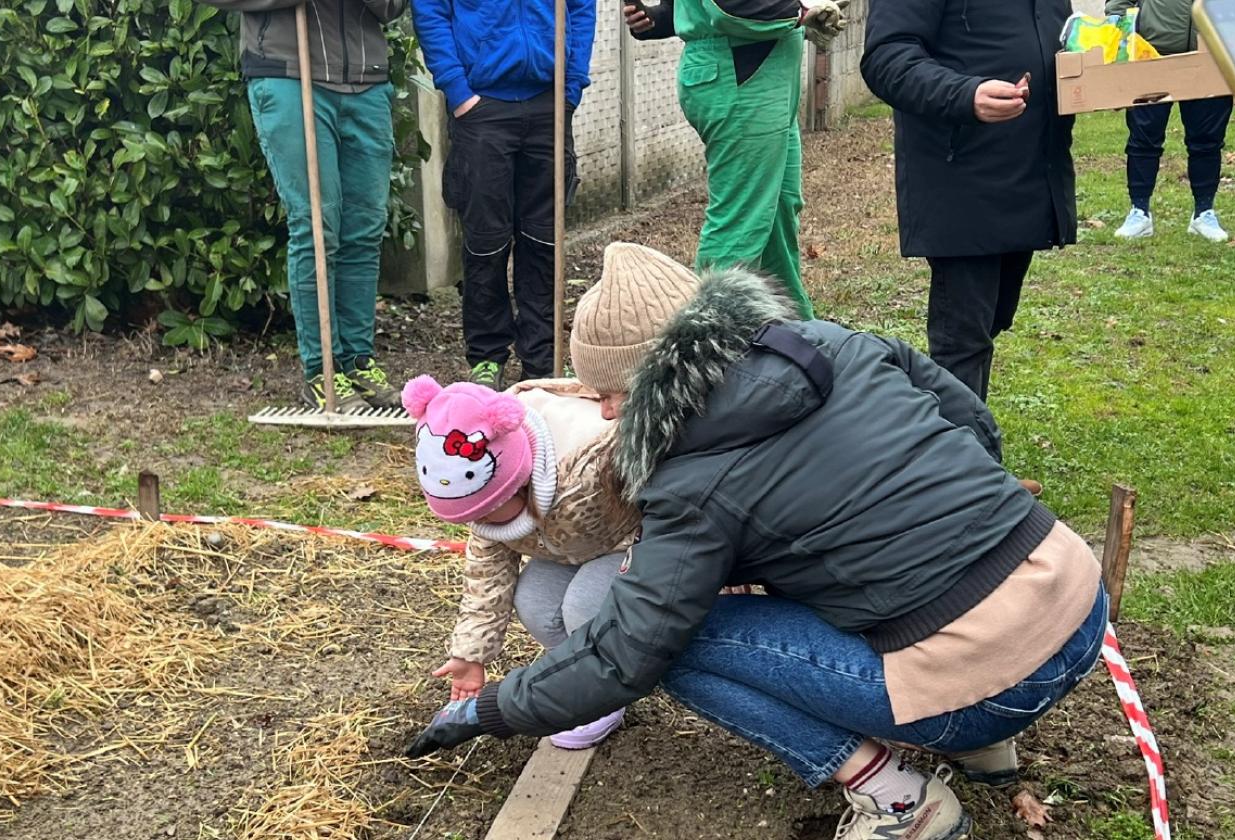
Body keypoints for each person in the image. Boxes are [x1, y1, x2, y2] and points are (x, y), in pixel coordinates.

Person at [404, 242, 1107, 840]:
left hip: (990, 679)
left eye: (612, 392)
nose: (607, 412)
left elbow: (627, 653)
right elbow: (974, 425)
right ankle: (987, 743)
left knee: (673, 646)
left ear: (651, 379)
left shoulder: (689, 480)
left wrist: (491, 708)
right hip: (1073, 593)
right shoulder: (832, 343)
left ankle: (900, 797)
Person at [400, 367, 648, 747]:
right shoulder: (488, 503)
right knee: (534, 601)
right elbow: (486, 579)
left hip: (629, 540)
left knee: (583, 606)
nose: (477, 524)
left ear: (519, 483)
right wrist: (470, 655)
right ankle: (574, 676)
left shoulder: (591, 467)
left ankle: (603, 691)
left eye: (483, 512)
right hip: (568, 543)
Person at [861, 0, 1077, 402]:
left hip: (1030, 168)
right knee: (962, 341)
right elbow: (886, 58)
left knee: (992, 318)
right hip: (959, 171)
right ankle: (958, 457)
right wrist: (966, 94)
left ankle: (953, 435)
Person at [224, 0, 407, 411]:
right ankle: (321, 371)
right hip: (289, 75)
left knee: (364, 228)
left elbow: (394, 7)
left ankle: (357, 361)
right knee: (317, 224)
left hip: (366, 80)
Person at [621, 0, 848, 320]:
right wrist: (800, 10)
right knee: (741, 223)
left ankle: (790, 333)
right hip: (741, 73)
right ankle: (706, 345)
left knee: (777, 214)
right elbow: (729, 7)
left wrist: (657, 18)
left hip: (766, 71)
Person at [412, 0, 595, 391]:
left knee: (544, 238)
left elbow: (581, 8)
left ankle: (542, 359)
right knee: (485, 241)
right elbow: (429, 10)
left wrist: (571, 84)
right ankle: (486, 355)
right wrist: (457, 90)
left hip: (549, 102)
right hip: (482, 106)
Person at [1106, 0, 1235, 243]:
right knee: (1144, 137)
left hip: (1211, 52)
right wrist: (1119, 27)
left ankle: (1204, 213)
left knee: (1207, 139)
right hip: (1150, 53)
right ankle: (1139, 212)